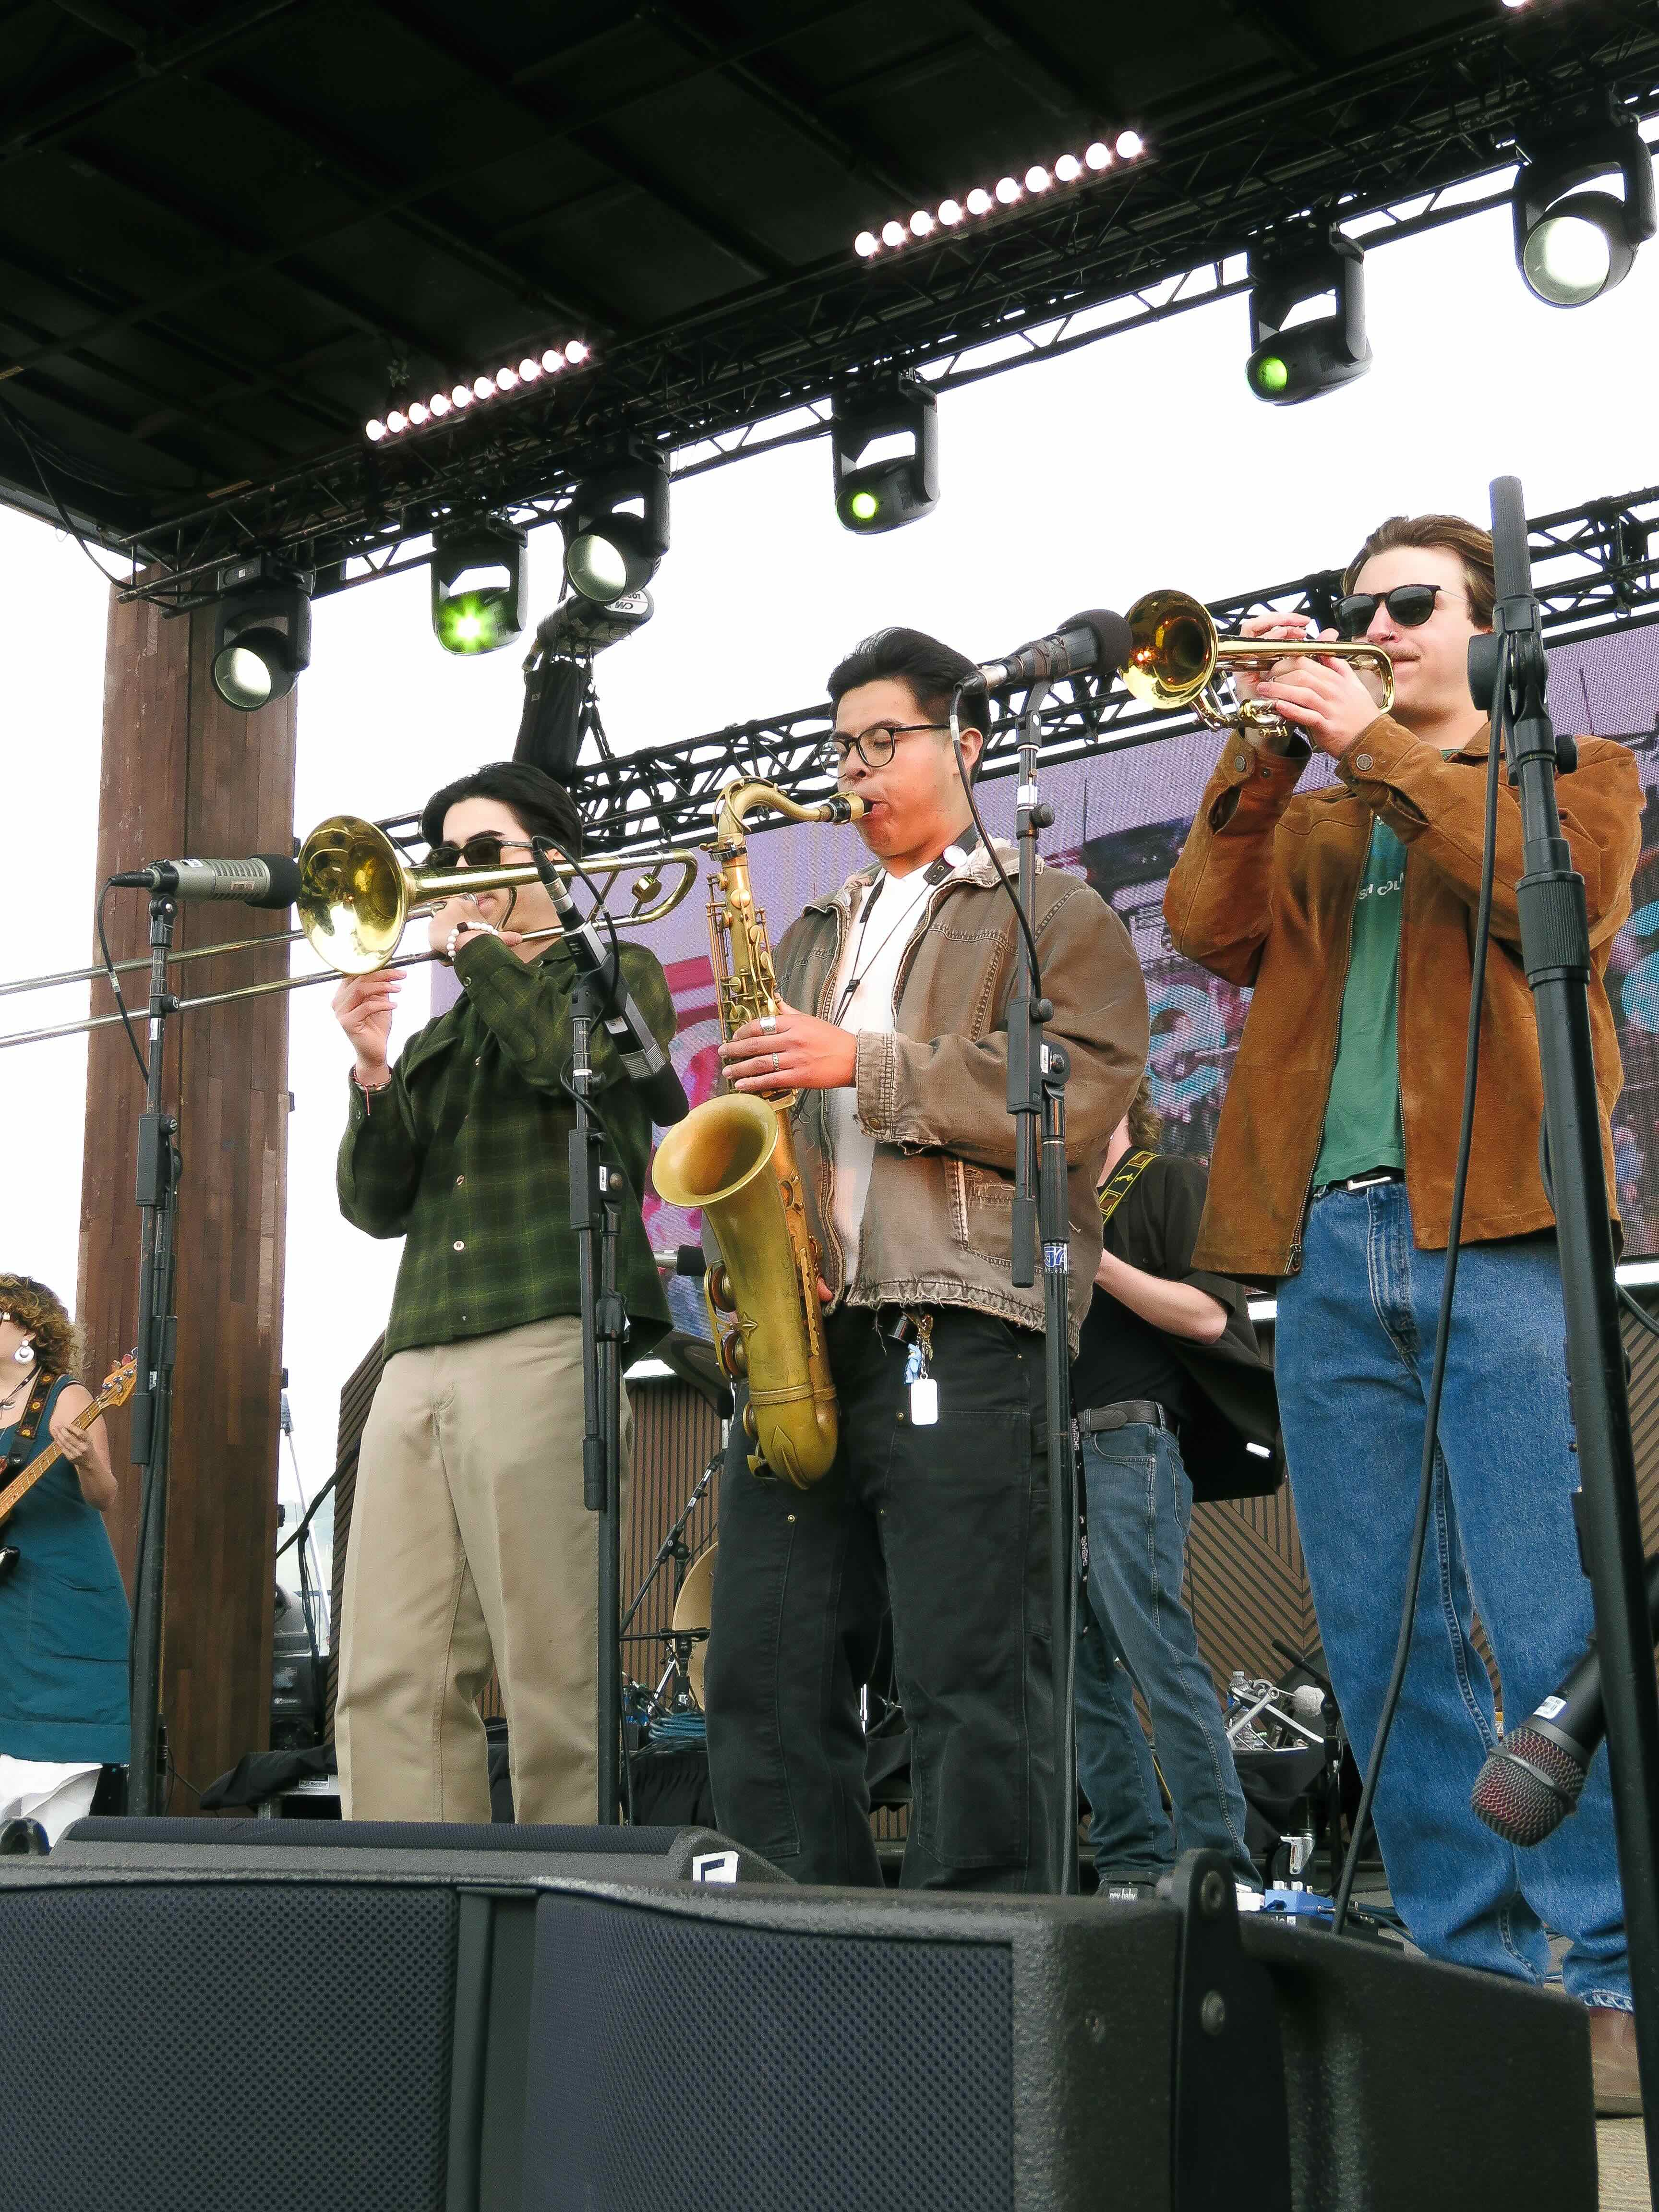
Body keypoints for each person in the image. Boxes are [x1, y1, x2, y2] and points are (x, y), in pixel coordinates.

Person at [1164, 513, 1644, 2111]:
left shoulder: (1572, 773)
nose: (1374, 622)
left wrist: (1367, 738)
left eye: (1408, 603)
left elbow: (1537, 903)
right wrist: (1257, 746)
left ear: (1491, 626)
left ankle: (1595, 1981)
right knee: (1378, 1635)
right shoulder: (1309, 827)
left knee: (1535, 1618)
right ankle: (1464, 1977)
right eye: (1354, 606)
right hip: (1322, 1246)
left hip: (1498, 1235)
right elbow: (1197, 926)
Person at [704, 626, 1148, 1890]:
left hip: (961, 1321)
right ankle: (799, 1985)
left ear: (970, 740)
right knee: (762, 1678)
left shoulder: (1051, 908)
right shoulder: (806, 930)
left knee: (975, 1680)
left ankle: (988, 1992)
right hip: (811, 1336)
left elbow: (1081, 1088)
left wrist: (865, 1064)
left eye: (884, 740)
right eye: (842, 747)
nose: (857, 768)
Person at [331, 761, 675, 1825]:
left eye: (485, 854)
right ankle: (408, 1919)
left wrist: (483, 958)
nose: (458, 878)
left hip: (547, 1336)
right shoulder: (440, 1036)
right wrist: (374, 1070)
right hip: (420, 1348)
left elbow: (564, 1070)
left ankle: (558, 1910)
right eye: (447, 860)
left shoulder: (616, 979)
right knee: (389, 1669)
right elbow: (375, 1204)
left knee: (551, 1671)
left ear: (555, 862)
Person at [1071, 1078, 1274, 1892]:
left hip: (1130, 1443)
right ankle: (1129, 1861)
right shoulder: (1049, 1215)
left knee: (1153, 1648)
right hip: (1049, 1454)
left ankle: (1218, 1861)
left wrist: (1094, 1257)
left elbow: (1212, 1317)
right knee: (1079, 1673)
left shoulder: (1170, 1181)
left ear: (1123, 1098)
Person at [0, 1275, 128, 1844]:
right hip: (6, 1600)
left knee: (54, 1757)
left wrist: (84, 1461)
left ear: (29, 1330)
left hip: (58, 1592)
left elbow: (105, 1496)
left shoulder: (69, 1395)